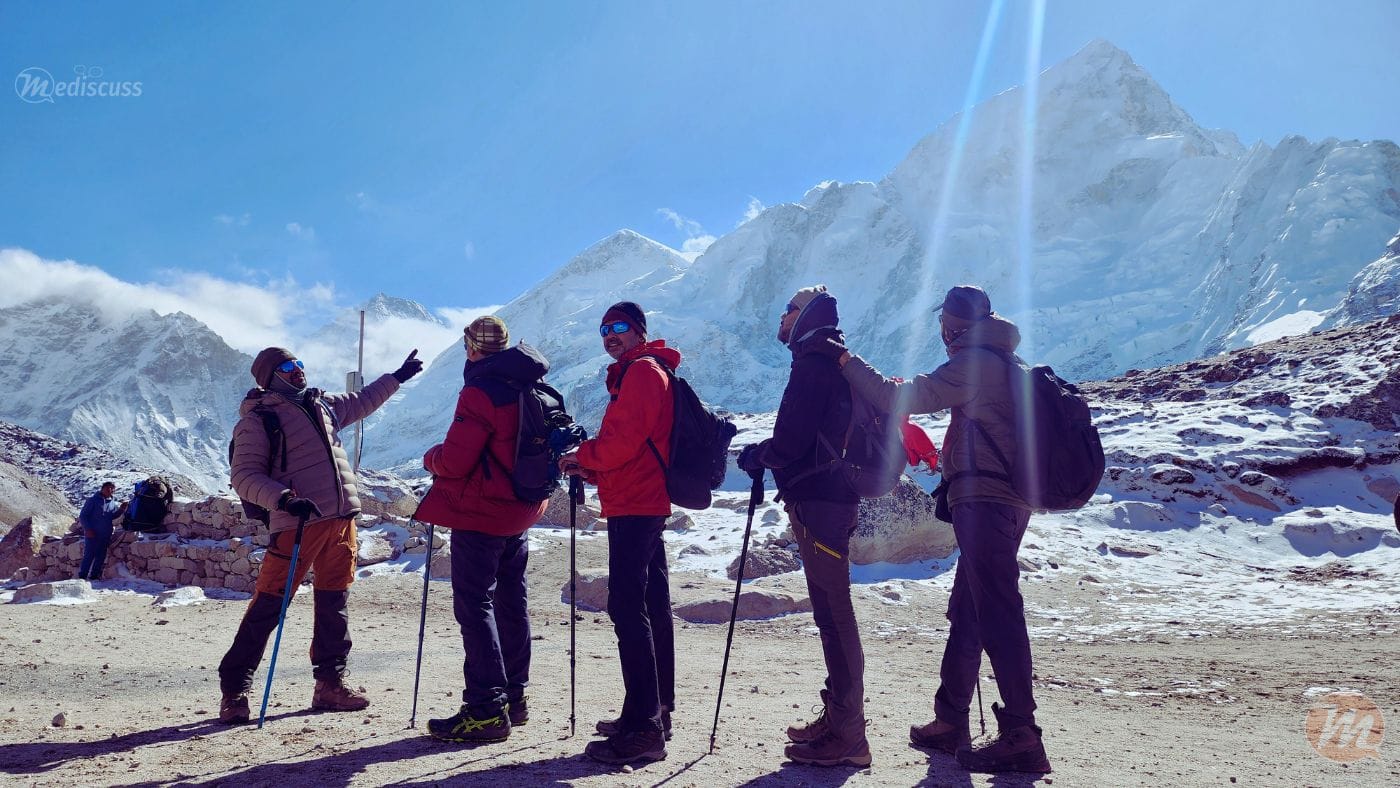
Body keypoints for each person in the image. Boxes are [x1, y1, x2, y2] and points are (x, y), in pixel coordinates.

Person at [822, 285, 1051, 774]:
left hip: (987, 503)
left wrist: (846, 361)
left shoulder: (975, 363)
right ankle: (950, 721)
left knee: (999, 612)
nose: (942, 334)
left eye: (944, 325)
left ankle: (1021, 735)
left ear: (953, 327)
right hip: (1005, 504)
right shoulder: (1007, 362)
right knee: (970, 610)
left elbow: (897, 396)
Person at [217, 345, 422, 725]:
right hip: (298, 524)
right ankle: (235, 689)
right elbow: (244, 477)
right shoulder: (259, 420)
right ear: (270, 376)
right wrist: (283, 499)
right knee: (268, 607)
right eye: (287, 366)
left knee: (334, 605)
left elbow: (362, 401)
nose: (298, 370)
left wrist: (398, 376)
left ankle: (330, 684)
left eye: (299, 363)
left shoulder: (323, 405)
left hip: (341, 521)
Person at [736, 285, 872, 768]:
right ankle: (839, 720)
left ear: (807, 315)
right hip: (832, 498)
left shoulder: (813, 362)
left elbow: (791, 441)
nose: (783, 314)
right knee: (831, 615)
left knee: (835, 616)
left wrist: (756, 456)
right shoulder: (832, 359)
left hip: (822, 501)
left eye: (789, 308)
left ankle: (849, 736)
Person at [417, 317, 551, 743]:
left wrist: (431, 458)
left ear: (470, 348)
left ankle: (485, 709)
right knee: (512, 601)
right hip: (521, 512)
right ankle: (515, 697)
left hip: (482, 516)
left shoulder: (481, 391)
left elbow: (456, 461)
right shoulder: (531, 386)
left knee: (475, 606)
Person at [558, 300, 676, 766]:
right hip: (641, 497)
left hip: (637, 504)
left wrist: (581, 457)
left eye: (620, 327)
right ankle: (650, 712)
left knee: (627, 607)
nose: (610, 334)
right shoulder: (639, 371)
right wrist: (592, 468)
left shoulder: (643, 372)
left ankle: (645, 727)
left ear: (640, 331)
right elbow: (633, 447)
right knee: (650, 605)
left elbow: (622, 442)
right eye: (604, 329)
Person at [77, 482, 126, 581]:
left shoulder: (112, 503)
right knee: (89, 554)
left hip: (105, 534)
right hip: (92, 533)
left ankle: (94, 576)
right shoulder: (92, 500)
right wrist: (88, 529)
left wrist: (121, 509)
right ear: (102, 488)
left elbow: (112, 516)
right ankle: (82, 576)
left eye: (113, 489)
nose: (110, 491)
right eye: (108, 488)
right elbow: (83, 516)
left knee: (100, 556)